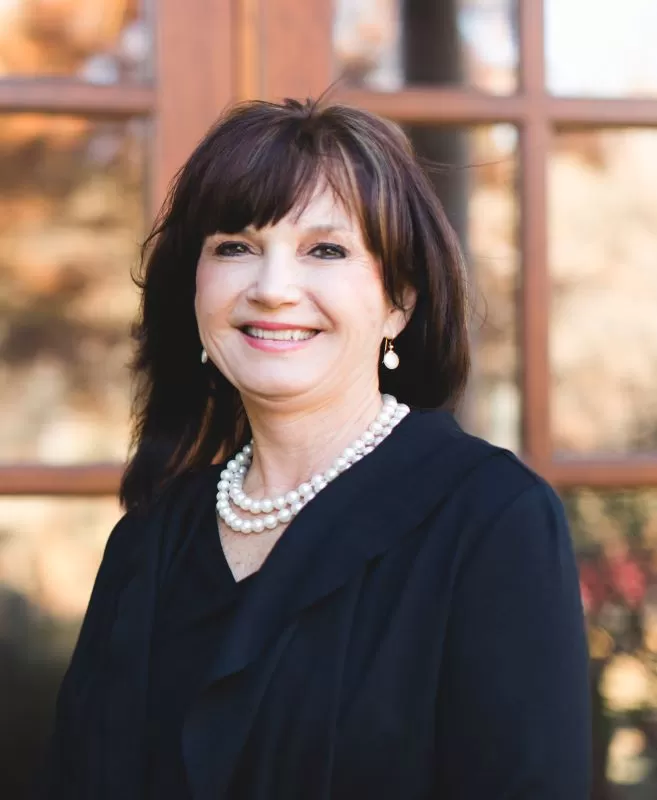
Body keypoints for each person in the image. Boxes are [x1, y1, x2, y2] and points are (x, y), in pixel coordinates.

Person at [40, 97, 591, 799]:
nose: (272, 289)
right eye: (234, 247)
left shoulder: (490, 521)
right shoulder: (148, 544)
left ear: (398, 300)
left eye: (324, 250)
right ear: (195, 288)